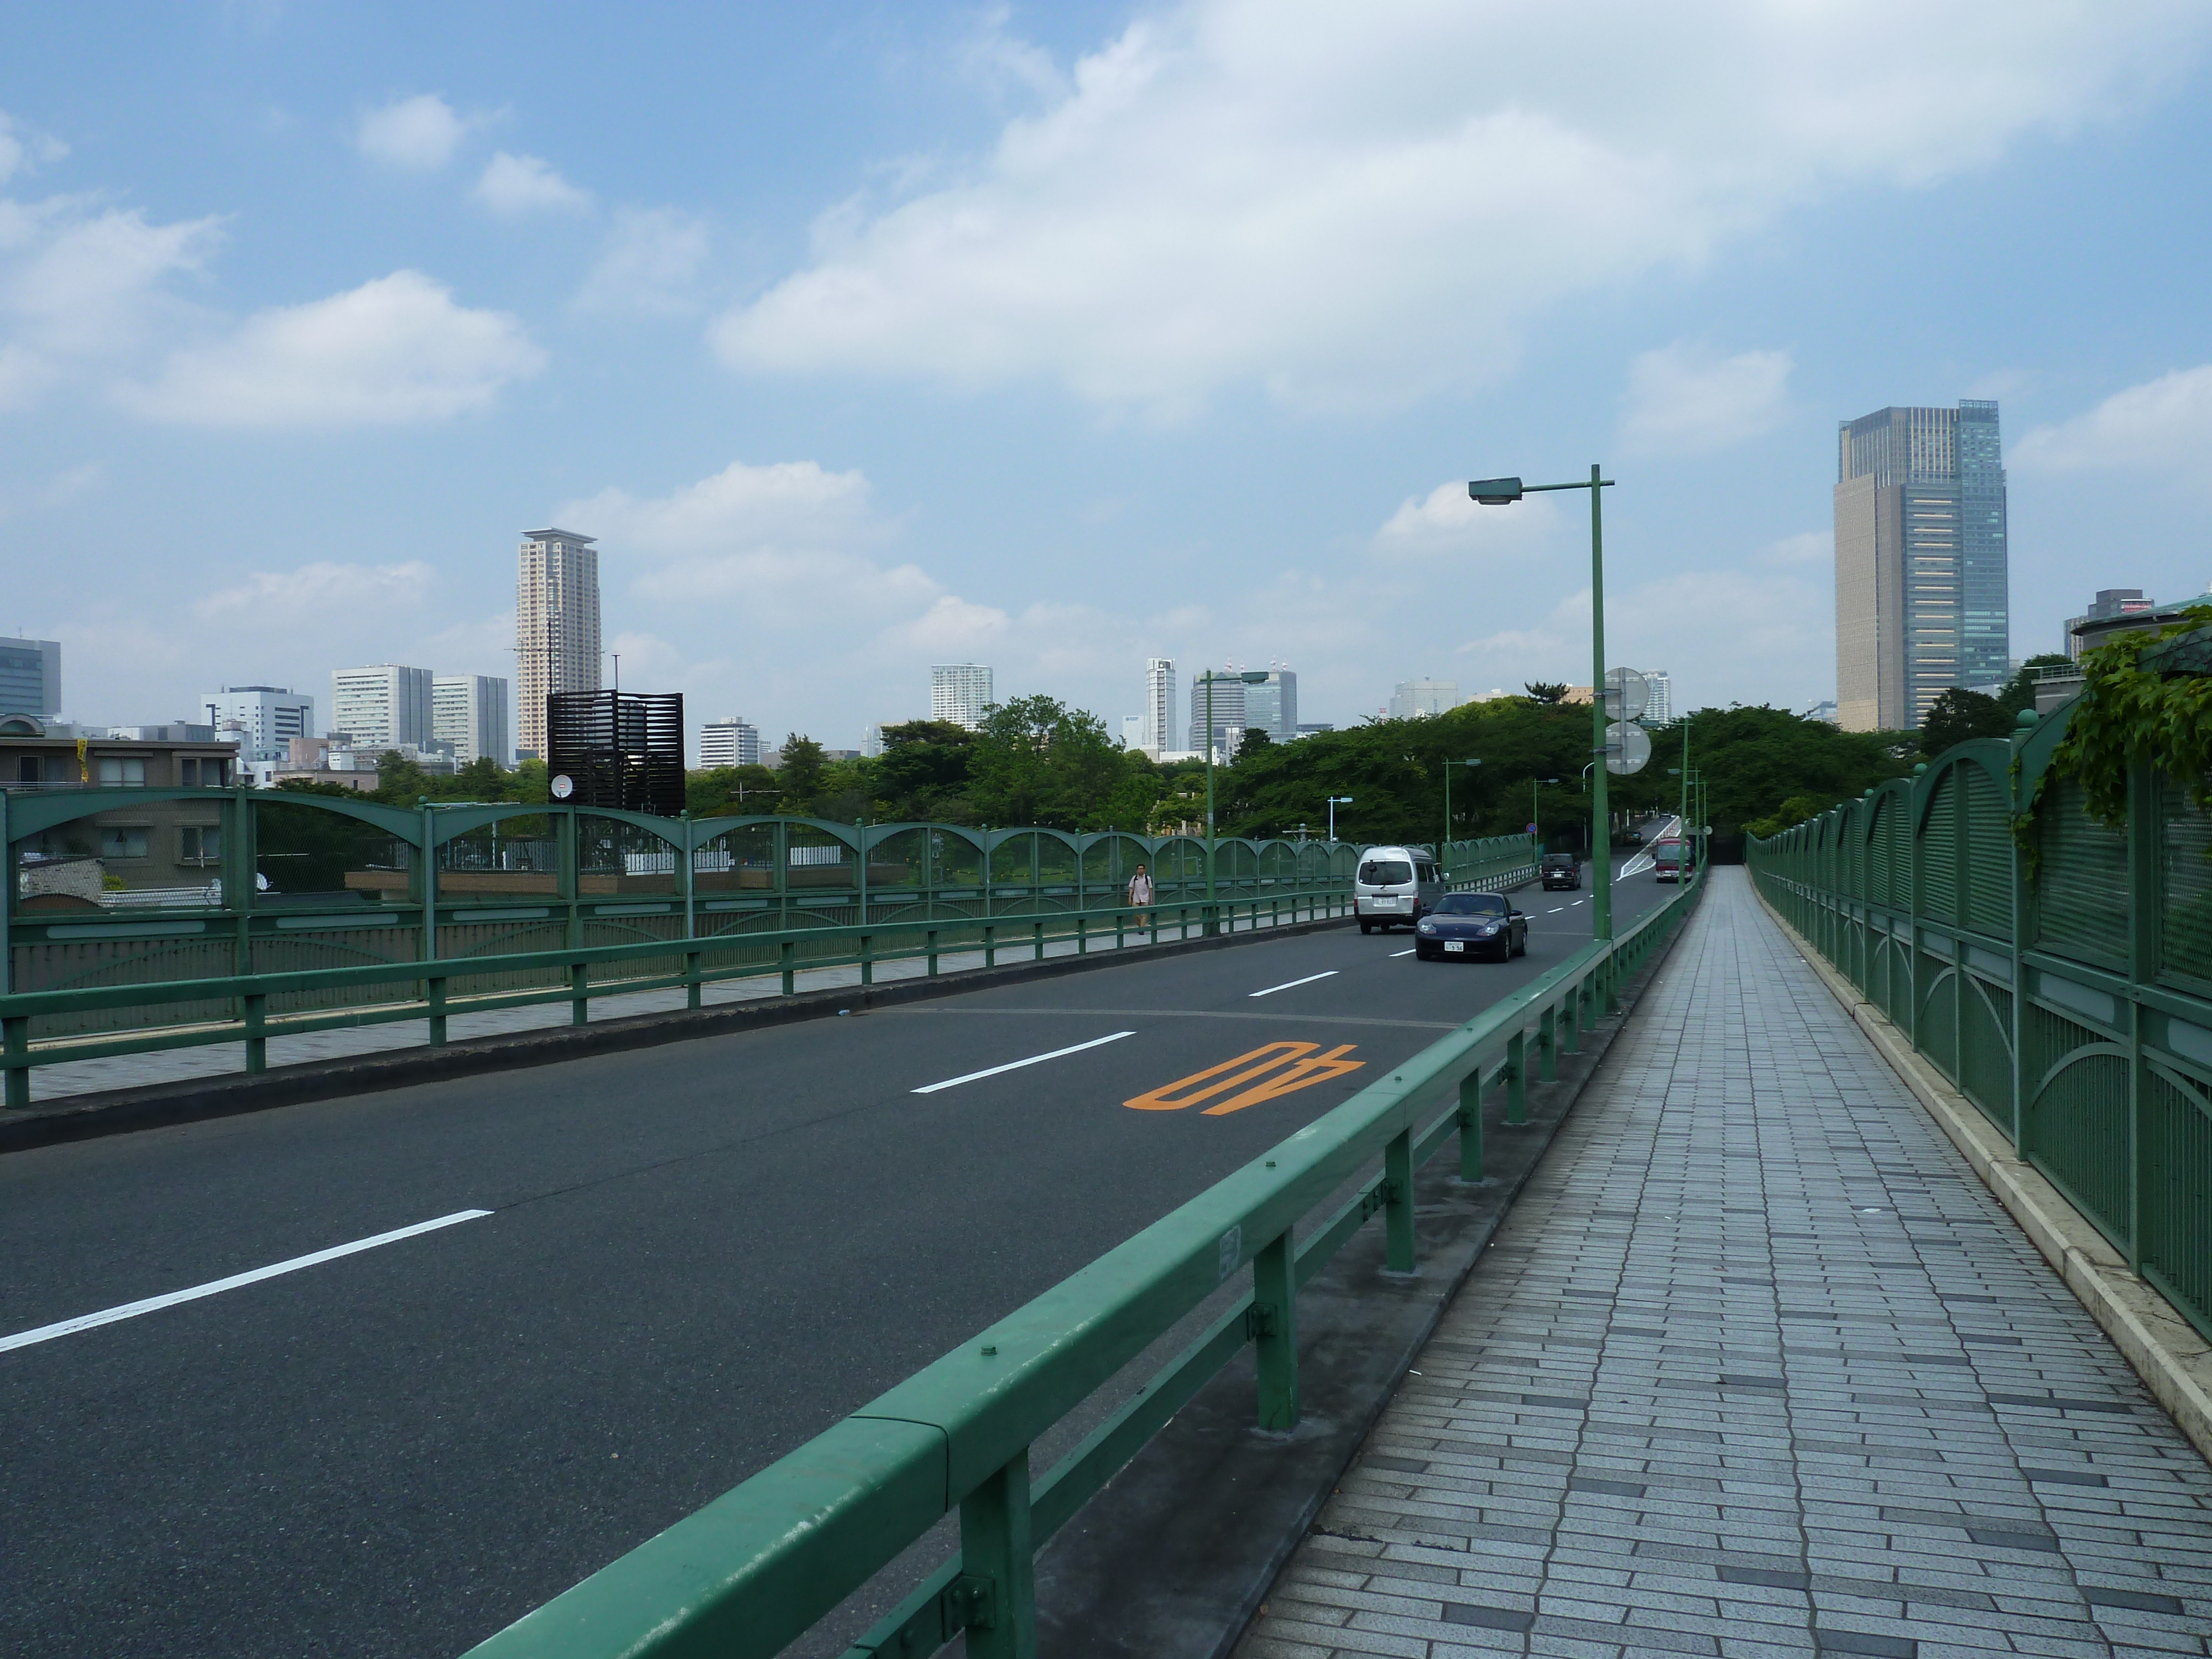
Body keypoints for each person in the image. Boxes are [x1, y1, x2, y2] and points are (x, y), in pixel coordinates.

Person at [1126, 862, 1154, 928]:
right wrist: (1130, 898)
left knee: (1144, 915)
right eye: (1139, 869)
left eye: (1142, 869)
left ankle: (1142, 929)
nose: (1140, 870)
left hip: (1145, 897)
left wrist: (1151, 899)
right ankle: (1140, 926)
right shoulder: (1134, 878)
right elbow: (1131, 888)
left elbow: (1150, 889)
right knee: (1136, 914)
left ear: (1144, 870)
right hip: (1136, 897)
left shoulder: (1148, 878)